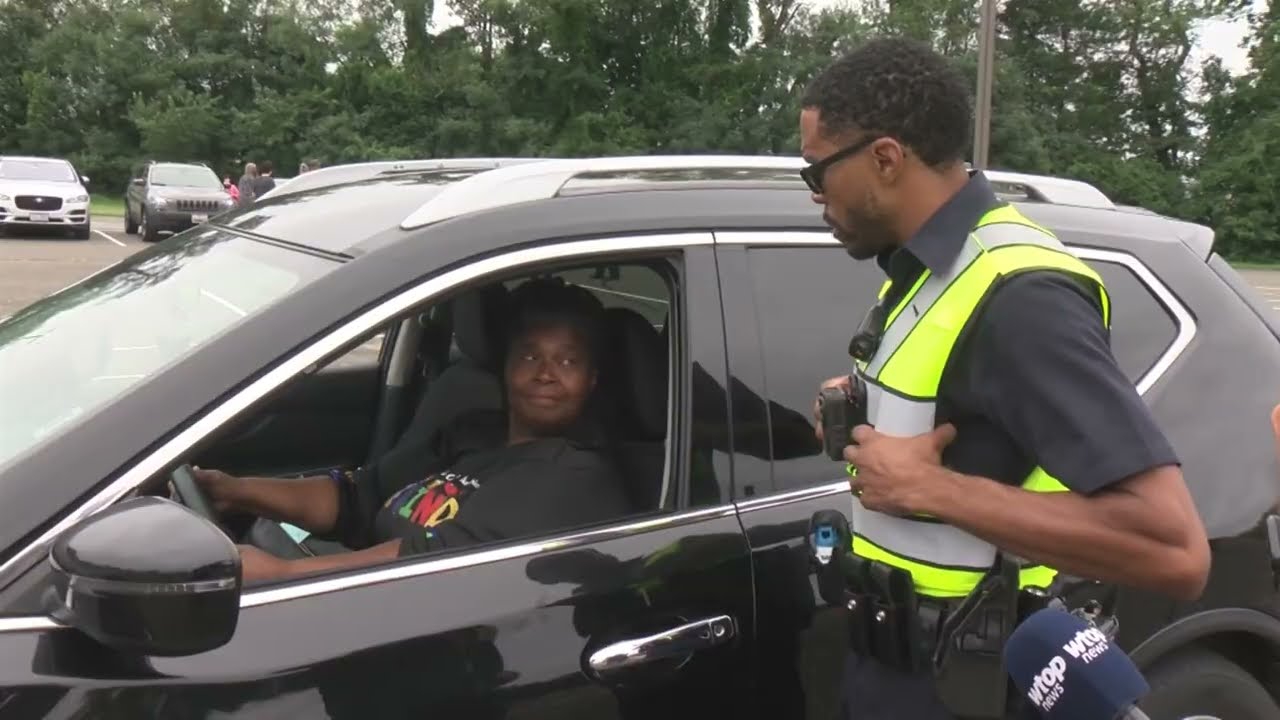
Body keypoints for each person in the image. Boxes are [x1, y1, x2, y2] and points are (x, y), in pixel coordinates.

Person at [798, 37, 1210, 719]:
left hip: (971, 685)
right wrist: (862, 410)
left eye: (816, 173)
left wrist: (932, 487)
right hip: (895, 667)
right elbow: (964, 411)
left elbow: (1173, 549)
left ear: (885, 159)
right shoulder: (931, 267)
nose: (815, 197)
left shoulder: (1021, 296)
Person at [193, 278, 632, 583]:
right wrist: (236, 490)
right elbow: (362, 494)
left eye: (568, 361)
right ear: (506, 365)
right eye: (530, 356)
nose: (547, 374)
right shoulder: (473, 433)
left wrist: (283, 576)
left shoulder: (576, 476)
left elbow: (431, 562)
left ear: (592, 380)